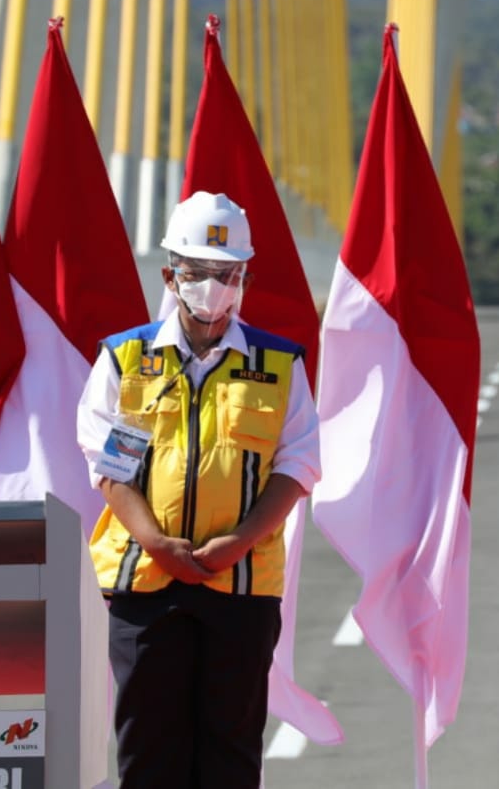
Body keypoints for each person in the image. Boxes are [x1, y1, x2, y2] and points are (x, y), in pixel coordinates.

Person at [77, 191, 320, 788]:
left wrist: (237, 542)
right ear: (170, 275)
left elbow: (298, 466)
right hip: (145, 585)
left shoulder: (279, 364)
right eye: (200, 273)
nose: (214, 287)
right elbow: (111, 466)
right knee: (147, 752)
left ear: (246, 278)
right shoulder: (127, 359)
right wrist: (158, 543)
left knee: (230, 755)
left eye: (228, 274)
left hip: (240, 587)